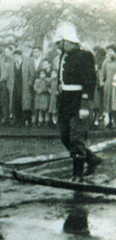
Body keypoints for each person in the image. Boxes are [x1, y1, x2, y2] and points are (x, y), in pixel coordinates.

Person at [53, 22, 103, 182]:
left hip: (80, 101)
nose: (57, 46)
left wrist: (85, 104)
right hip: (65, 101)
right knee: (64, 136)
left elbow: (90, 82)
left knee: (76, 137)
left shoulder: (85, 55)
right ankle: (92, 159)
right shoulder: (63, 56)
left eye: (59, 43)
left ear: (66, 40)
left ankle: (77, 173)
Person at [7, 50, 35, 127]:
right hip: (15, 86)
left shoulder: (27, 64)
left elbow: (32, 75)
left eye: (17, 56)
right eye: (14, 56)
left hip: (24, 86)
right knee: (16, 103)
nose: (15, 58)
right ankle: (17, 121)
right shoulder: (11, 65)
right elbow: (9, 77)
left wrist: (29, 83)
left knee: (26, 103)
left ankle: (26, 121)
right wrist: (9, 86)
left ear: (20, 56)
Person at [99, 44, 116, 128]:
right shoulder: (106, 61)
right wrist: (102, 82)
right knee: (107, 103)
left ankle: (114, 120)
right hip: (108, 85)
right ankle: (109, 121)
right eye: (108, 51)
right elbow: (102, 73)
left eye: (111, 51)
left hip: (115, 85)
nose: (109, 53)